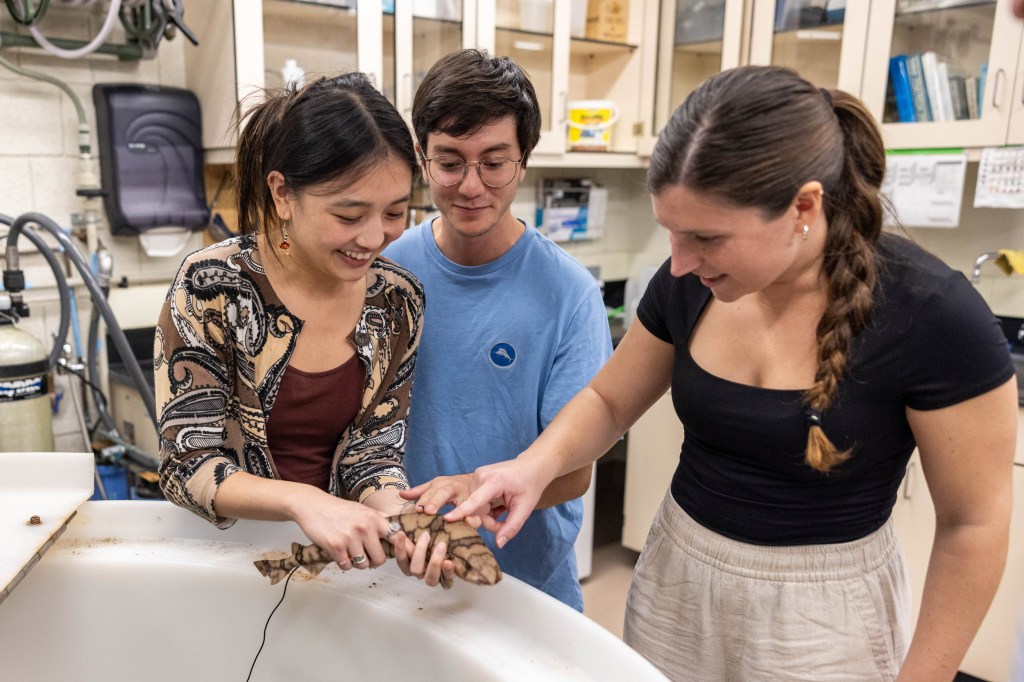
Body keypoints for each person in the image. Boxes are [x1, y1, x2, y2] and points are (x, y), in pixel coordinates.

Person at [413, 65, 1019, 680]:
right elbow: (608, 401)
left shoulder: (937, 316)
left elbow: (975, 524)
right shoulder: (688, 285)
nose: (679, 262)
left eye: (705, 237)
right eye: (672, 233)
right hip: (679, 579)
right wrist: (529, 468)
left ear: (803, 207)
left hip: (822, 615)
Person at [155, 72, 452, 586]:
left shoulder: (397, 301)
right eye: (349, 214)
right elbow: (188, 464)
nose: (374, 236)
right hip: (221, 560)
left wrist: (403, 522)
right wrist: (304, 502)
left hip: (337, 564)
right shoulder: (212, 287)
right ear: (283, 194)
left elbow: (373, 452)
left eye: (396, 212)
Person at [383, 48, 613, 611]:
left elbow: (575, 472)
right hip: (402, 571)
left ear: (524, 159)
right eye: (450, 161)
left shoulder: (569, 294)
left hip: (524, 588)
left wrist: (473, 486)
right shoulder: (384, 270)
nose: (470, 185)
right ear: (422, 156)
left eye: (494, 161)